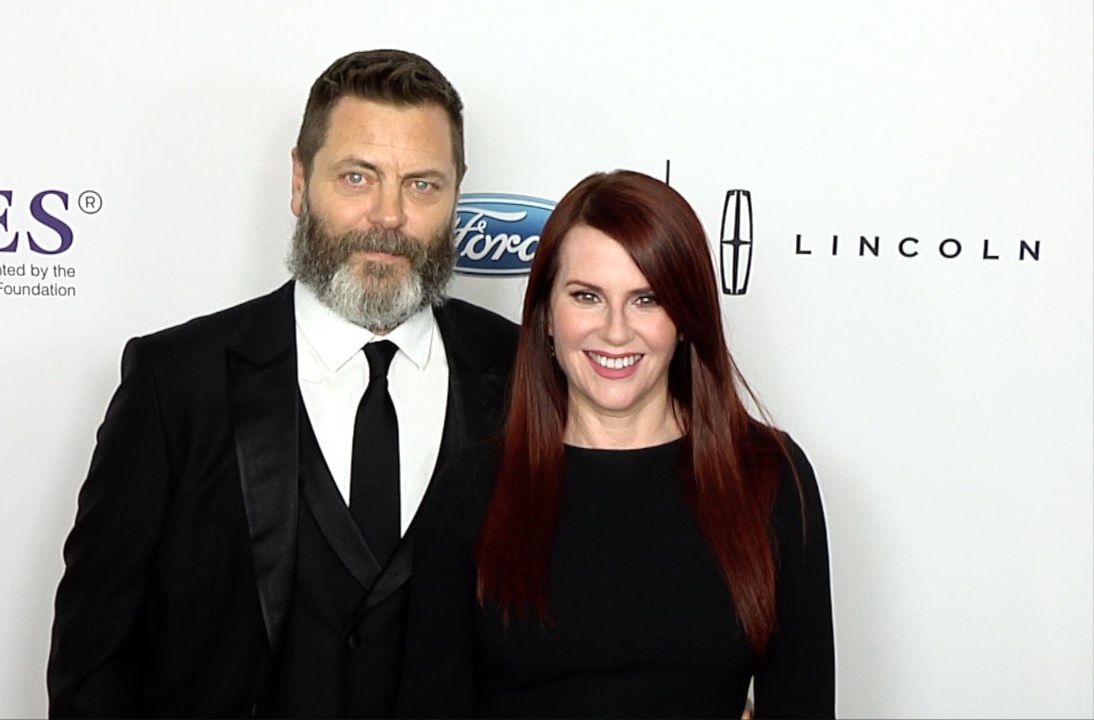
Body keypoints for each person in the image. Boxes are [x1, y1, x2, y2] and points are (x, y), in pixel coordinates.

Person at [46, 49, 518, 718]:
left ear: (455, 195)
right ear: (300, 181)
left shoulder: (520, 375)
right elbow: (92, 664)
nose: (388, 214)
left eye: (421, 185)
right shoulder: (176, 384)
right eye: (358, 177)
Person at [399, 170, 835, 718]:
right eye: (587, 296)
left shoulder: (768, 477)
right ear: (547, 317)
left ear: (685, 317)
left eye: (646, 299)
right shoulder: (473, 488)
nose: (615, 331)